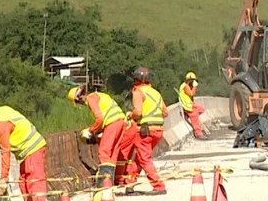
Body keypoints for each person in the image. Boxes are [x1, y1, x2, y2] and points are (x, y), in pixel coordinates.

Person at [123, 66, 168, 194]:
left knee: (144, 159)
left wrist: (130, 114)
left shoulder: (138, 92)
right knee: (140, 158)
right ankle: (130, 184)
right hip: (158, 130)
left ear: (136, 79)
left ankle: (159, 186)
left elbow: (137, 111)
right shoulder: (155, 93)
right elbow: (165, 112)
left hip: (145, 131)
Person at [68, 85, 125, 185]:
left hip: (112, 123)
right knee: (113, 153)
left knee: (104, 151)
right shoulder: (100, 95)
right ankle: (111, 180)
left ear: (79, 97)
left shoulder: (91, 98)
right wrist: (100, 131)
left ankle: (104, 181)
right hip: (120, 121)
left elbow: (100, 118)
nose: (81, 104)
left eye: (78, 102)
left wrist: (90, 131)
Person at [178, 72, 207, 139]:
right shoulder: (185, 86)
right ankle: (198, 134)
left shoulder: (186, 85)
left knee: (201, 109)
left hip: (190, 105)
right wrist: (194, 86)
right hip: (188, 107)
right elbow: (191, 93)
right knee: (195, 118)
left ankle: (189, 116)